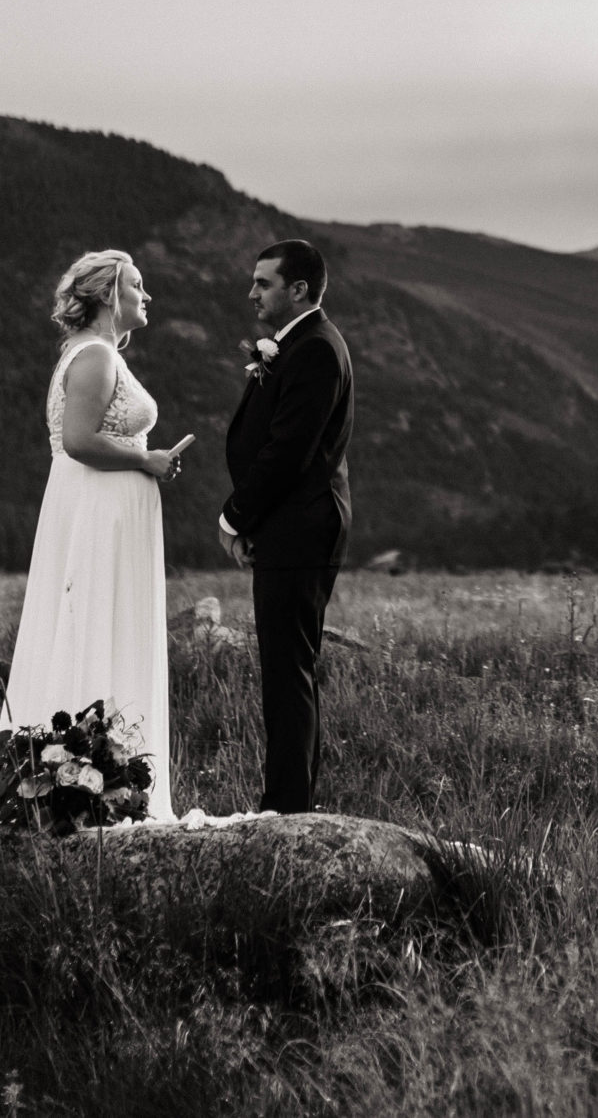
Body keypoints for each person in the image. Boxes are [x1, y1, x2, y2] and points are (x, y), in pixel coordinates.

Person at [0, 250, 192, 819]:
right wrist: (146, 460)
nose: (146, 294)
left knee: (105, 623)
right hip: (99, 514)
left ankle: (100, 780)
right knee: (97, 622)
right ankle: (85, 783)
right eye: (137, 284)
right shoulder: (96, 357)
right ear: (109, 295)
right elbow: (79, 440)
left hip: (105, 508)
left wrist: (143, 462)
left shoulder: (93, 354)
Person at [218, 238, 354, 814]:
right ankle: (288, 802)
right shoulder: (296, 345)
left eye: (263, 283)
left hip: (302, 527)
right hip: (288, 526)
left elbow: (288, 451)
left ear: (298, 289)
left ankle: (287, 810)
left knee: (288, 671)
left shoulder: (317, 350)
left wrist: (233, 517)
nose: (252, 292)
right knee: (286, 667)